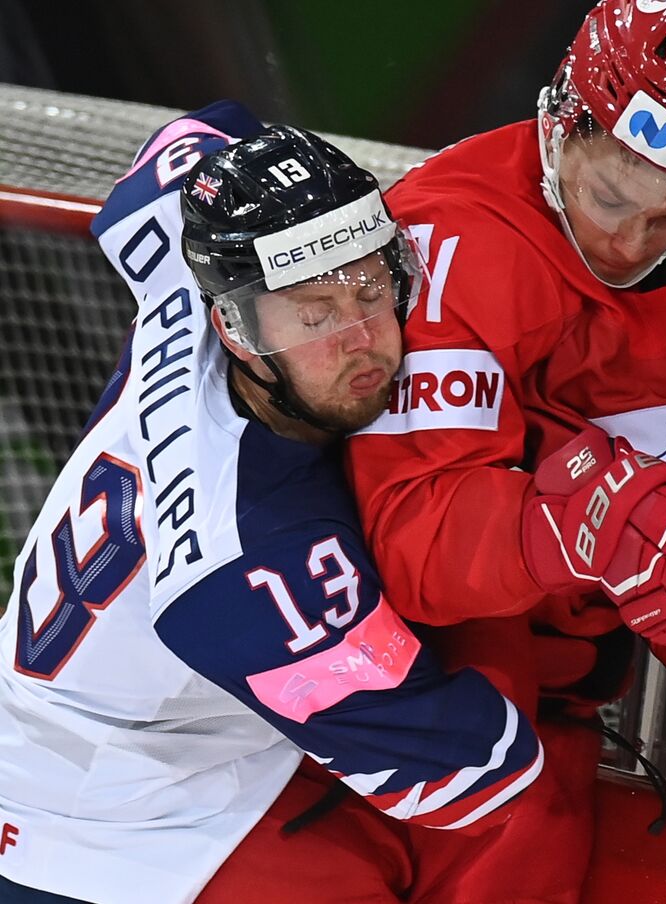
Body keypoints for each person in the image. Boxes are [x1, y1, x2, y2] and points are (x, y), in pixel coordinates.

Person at [344, 0, 666, 898]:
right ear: (561, 118)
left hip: (568, 706)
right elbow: (409, 541)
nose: (628, 245)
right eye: (610, 197)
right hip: (393, 689)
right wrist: (591, 525)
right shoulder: (450, 232)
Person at [0, 105, 542, 904]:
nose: (362, 338)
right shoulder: (255, 562)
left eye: (371, 285)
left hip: (74, 710)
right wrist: (549, 564)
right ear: (237, 330)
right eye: (315, 316)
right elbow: (476, 776)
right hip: (104, 822)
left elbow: (189, 140)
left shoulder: (198, 273)